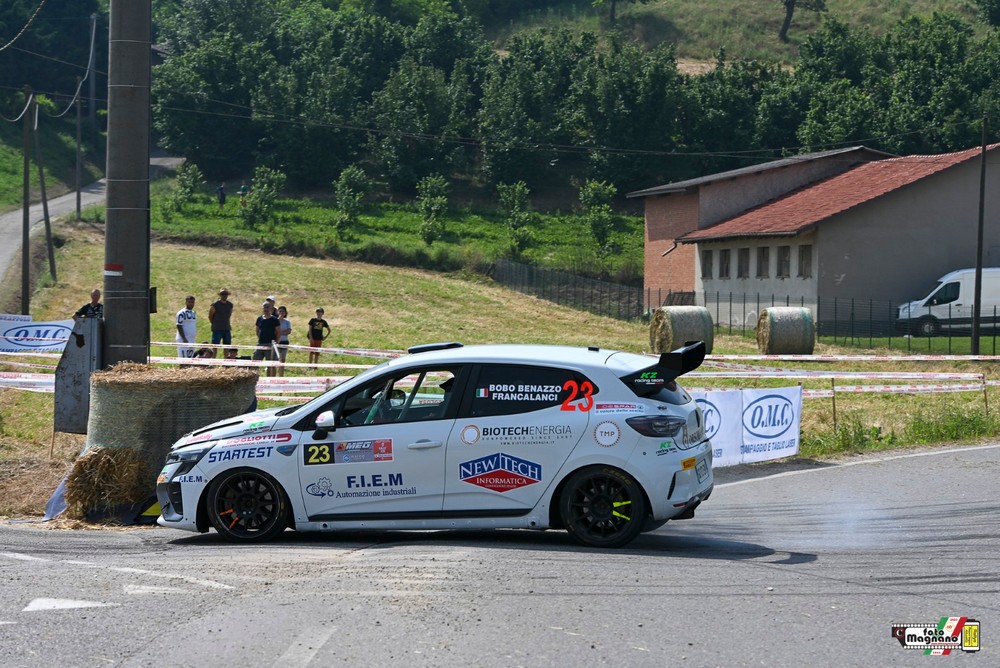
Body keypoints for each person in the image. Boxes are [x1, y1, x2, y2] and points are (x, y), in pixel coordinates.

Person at [254, 301, 281, 377]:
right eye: (264, 307)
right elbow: (257, 331)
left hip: (270, 345)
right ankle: (254, 379)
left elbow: (279, 332)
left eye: (267, 307)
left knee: (271, 365)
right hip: (260, 344)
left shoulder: (274, 319)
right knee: (255, 363)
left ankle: (271, 380)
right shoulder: (259, 319)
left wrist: (276, 343)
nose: (266, 309)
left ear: (271, 308)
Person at [175, 295, 197, 361]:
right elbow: (179, 325)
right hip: (183, 339)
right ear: (186, 302)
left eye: (192, 302)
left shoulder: (193, 313)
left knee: (190, 360)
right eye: (189, 302)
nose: (191, 304)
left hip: (192, 339)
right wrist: (184, 338)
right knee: (183, 359)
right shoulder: (181, 313)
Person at [276, 305, 292, 377]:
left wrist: (280, 333)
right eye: (280, 311)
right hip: (277, 342)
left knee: (282, 360)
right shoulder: (275, 321)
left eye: (283, 311)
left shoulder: (287, 322)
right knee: (276, 360)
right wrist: (282, 333)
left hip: (284, 342)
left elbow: (289, 331)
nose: (281, 313)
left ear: (285, 313)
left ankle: (281, 376)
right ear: (277, 312)